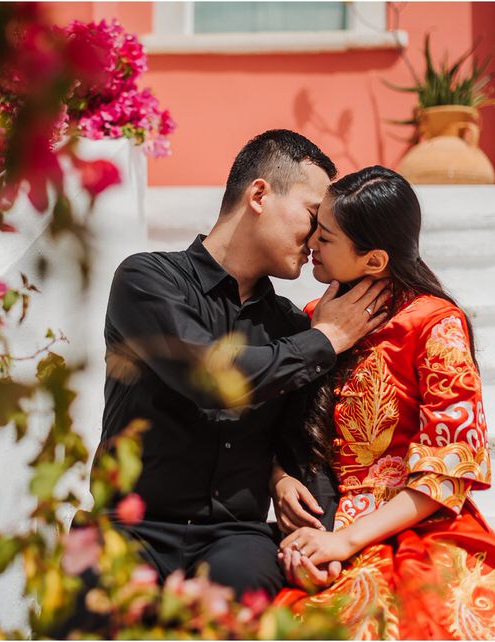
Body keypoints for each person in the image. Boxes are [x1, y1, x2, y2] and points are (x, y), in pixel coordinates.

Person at [271, 165, 495, 639]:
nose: (310, 242)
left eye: (325, 238)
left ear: (373, 261)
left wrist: (343, 540)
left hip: (415, 524)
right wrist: (282, 479)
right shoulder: (316, 320)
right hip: (324, 519)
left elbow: (444, 474)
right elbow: (276, 424)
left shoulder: (436, 325)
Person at [94, 130, 391, 599]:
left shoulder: (295, 325)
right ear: (259, 194)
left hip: (235, 538)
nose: (317, 238)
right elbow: (209, 376)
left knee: (243, 583)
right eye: (313, 216)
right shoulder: (146, 278)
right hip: (131, 526)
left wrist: (313, 539)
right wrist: (325, 340)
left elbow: (307, 447)